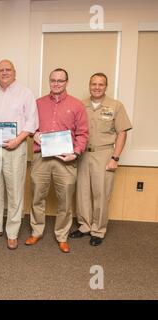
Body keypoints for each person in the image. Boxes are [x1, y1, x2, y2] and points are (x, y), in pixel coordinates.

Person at [26, 68, 89, 253]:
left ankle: (62, 235)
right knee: (37, 196)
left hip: (66, 159)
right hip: (41, 157)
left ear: (67, 82)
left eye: (60, 80)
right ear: (49, 81)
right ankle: (36, 231)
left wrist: (75, 153)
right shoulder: (37, 104)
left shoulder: (77, 105)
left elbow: (83, 133)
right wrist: (34, 134)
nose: (56, 83)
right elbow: (29, 126)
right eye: (53, 80)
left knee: (65, 200)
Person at [0, 59, 39, 250]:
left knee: (14, 191)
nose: (4, 72)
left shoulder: (25, 93)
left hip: (15, 147)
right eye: (0, 70)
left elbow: (32, 122)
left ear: (14, 72)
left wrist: (18, 140)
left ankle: (12, 232)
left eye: (8, 69)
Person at [71, 73, 132, 246]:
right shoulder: (80, 105)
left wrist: (115, 157)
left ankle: (98, 230)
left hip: (104, 154)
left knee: (101, 193)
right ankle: (85, 226)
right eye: (93, 84)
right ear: (89, 85)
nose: (97, 87)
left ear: (106, 86)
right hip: (83, 153)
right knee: (82, 192)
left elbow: (122, 132)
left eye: (101, 84)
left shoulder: (115, 106)